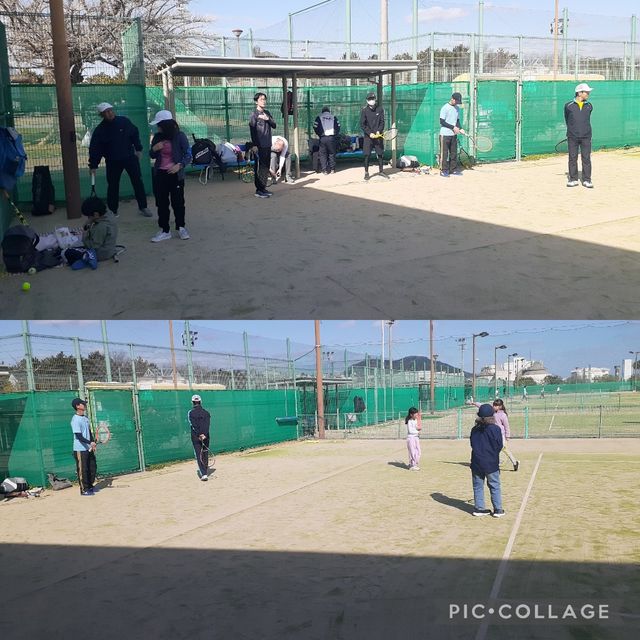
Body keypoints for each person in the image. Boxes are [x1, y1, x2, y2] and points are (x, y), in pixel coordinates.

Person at [88, 102, 153, 217]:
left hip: (130, 158)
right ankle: (113, 210)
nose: (109, 113)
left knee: (137, 182)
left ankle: (143, 207)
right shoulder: (100, 130)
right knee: (113, 185)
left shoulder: (124, 121)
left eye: (110, 110)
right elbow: (95, 149)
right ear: (102, 115)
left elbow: (134, 133)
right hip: (112, 161)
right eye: (106, 112)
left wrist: (138, 149)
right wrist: (93, 165)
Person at [148, 110, 192, 242]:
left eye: (160, 125)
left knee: (178, 202)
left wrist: (179, 165)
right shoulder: (157, 137)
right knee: (161, 203)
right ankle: (164, 230)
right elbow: (152, 155)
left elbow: (188, 155)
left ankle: (181, 227)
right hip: (160, 175)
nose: (158, 127)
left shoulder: (180, 136)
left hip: (175, 175)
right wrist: (154, 149)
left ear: (166, 125)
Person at [64, 193, 118, 269]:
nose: (88, 218)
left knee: (67, 252)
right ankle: (84, 257)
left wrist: (85, 233)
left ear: (96, 214)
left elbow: (93, 246)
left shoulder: (101, 226)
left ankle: (86, 257)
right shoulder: (108, 213)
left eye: (89, 216)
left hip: (101, 253)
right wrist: (91, 221)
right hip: (109, 248)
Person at [469, 403, 505, 517]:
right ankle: (498, 509)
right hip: (491, 463)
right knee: (494, 485)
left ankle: (479, 508)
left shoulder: (474, 430)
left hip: (476, 462)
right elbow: (499, 445)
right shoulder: (495, 429)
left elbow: (472, 444)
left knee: (478, 486)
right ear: (492, 416)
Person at [564, 83, 594, 188]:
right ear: (579, 93)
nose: (588, 94)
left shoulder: (589, 105)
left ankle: (587, 180)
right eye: (586, 92)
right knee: (572, 158)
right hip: (572, 137)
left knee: (586, 158)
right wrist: (573, 130)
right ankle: (573, 179)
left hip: (586, 136)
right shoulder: (568, 106)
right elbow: (567, 120)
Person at [249, 92, 276, 198]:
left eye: (264, 99)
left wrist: (267, 119)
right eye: (261, 99)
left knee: (265, 167)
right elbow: (252, 130)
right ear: (256, 101)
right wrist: (254, 145)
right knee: (259, 168)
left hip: (267, 145)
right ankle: (258, 190)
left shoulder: (267, 113)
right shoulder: (254, 114)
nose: (263, 101)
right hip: (259, 146)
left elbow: (274, 125)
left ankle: (263, 188)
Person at [70, 398, 97, 496]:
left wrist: (92, 443)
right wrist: (90, 442)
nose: (84, 405)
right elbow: (78, 436)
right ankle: (84, 489)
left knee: (92, 467)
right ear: (77, 406)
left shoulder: (85, 418)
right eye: (82, 404)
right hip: (80, 449)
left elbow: (89, 432)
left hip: (88, 448)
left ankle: (90, 486)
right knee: (83, 470)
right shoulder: (75, 420)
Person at [359, 92, 388, 181]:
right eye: (370, 99)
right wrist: (370, 133)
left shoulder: (380, 109)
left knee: (380, 154)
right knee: (367, 155)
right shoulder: (364, 110)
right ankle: (366, 173)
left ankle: (381, 171)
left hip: (378, 136)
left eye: (373, 99)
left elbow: (382, 122)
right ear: (367, 101)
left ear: (375, 100)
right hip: (368, 137)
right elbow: (362, 124)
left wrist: (379, 131)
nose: (371, 101)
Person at [439, 92, 465, 177]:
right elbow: (442, 122)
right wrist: (453, 127)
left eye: (458, 101)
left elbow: (457, 120)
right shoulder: (445, 108)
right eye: (456, 101)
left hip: (453, 135)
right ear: (452, 99)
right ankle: (443, 170)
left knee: (453, 153)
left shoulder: (457, 108)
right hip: (444, 134)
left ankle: (452, 170)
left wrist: (460, 128)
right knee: (444, 154)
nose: (457, 103)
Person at [188, 394, 211, 481]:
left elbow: (193, 425)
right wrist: (204, 434)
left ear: (192, 402)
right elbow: (207, 425)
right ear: (201, 402)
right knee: (205, 453)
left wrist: (199, 434)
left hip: (196, 437)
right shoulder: (207, 413)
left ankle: (204, 473)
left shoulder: (190, 413)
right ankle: (205, 471)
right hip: (206, 437)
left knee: (199, 455)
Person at [313, 106, 340, 174]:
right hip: (331, 138)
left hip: (323, 137)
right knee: (332, 153)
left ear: (322, 111)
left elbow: (315, 127)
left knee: (323, 154)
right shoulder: (334, 117)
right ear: (329, 111)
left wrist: (319, 134)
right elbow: (338, 126)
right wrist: (335, 134)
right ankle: (332, 169)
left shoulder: (319, 117)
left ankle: (324, 170)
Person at [405, 406, 422, 471]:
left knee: (418, 451)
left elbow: (417, 427)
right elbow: (410, 431)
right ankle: (413, 465)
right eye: (415, 414)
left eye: (417, 414)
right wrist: (417, 431)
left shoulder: (415, 420)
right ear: (411, 414)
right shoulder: (409, 421)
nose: (416, 415)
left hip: (416, 438)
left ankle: (412, 463)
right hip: (411, 438)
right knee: (412, 452)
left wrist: (418, 428)